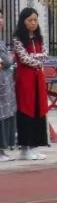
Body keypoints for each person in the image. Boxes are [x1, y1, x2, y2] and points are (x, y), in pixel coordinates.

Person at [12, 8, 48, 161]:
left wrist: (37, 58)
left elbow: (45, 54)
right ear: (23, 21)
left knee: (38, 110)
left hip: (38, 79)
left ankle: (34, 146)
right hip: (25, 80)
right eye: (30, 20)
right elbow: (24, 58)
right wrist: (37, 60)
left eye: (35, 20)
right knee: (26, 111)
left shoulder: (39, 38)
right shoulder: (18, 39)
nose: (33, 23)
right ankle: (25, 148)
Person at [0, 12, 16, 162]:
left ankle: (3, 150)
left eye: (1, 17)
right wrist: (8, 60)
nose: (1, 21)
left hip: (5, 83)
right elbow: (7, 60)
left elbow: (6, 61)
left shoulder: (2, 41)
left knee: (6, 114)